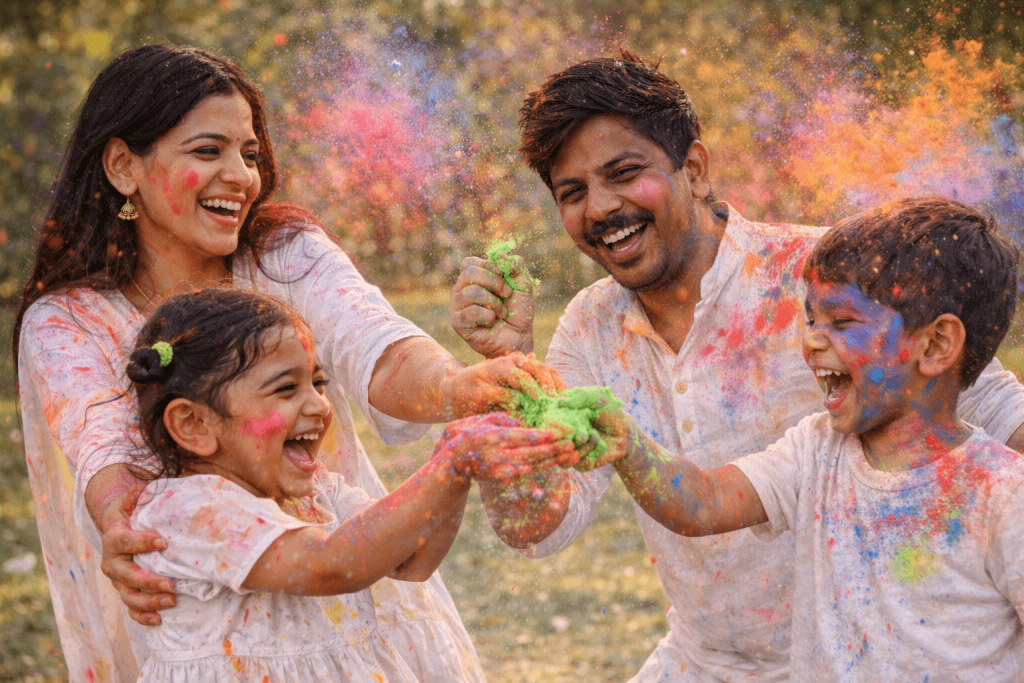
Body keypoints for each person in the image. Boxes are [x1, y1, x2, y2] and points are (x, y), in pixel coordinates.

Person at [449, 52, 1024, 681]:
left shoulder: (827, 283)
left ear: (694, 169)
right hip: (704, 663)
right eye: (573, 193)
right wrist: (510, 370)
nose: (601, 207)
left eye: (624, 173)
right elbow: (539, 526)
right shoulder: (589, 332)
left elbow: (995, 410)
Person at [15, 44, 564, 683]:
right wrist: (125, 526)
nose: (241, 176)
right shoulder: (69, 320)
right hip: (210, 623)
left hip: (358, 629)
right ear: (122, 165)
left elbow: (377, 346)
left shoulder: (282, 253)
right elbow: (102, 444)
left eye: (248, 153)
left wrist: (461, 390)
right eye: (206, 151)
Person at [591, 197, 1024, 681]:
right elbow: (704, 502)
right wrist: (629, 445)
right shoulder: (816, 452)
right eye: (812, 318)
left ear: (936, 345)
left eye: (842, 323)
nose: (812, 340)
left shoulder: (1002, 495)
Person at [122, 288, 574, 682]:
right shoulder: (189, 513)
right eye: (286, 389)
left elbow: (412, 561)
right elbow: (330, 565)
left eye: (318, 382)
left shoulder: (317, 494)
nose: (319, 405)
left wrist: (456, 455)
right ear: (194, 424)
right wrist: (451, 465)